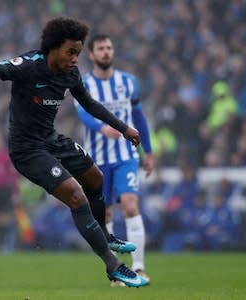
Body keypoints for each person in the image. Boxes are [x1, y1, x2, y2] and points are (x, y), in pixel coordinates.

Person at [0, 17, 148, 287]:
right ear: (53, 48)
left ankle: (105, 236)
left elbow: (90, 104)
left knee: (96, 179)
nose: (75, 59)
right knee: (76, 195)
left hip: (51, 139)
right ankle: (113, 265)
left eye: (78, 53)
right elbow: (0, 68)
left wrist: (124, 128)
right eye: (70, 52)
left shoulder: (70, 74)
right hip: (27, 149)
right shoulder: (30, 65)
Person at [75, 34, 154, 285]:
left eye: (109, 47)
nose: (106, 52)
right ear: (91, 54)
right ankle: (116, 271)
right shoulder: (84, 83)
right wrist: (101, 128)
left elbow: (139, 119)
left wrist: (148, 152)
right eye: (101, 48)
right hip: (96, 160)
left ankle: (139, 267)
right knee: (105, 213)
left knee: (130, 205)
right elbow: (84, 115)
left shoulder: (129, 82)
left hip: (125, 156)